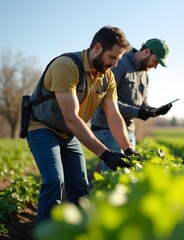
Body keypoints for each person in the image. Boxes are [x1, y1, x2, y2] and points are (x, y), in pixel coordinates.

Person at [26, 26, 142, 222]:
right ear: (97, 48)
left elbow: (114, 116)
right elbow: (71, 117)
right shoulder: (66, 66)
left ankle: (76, 231)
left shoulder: (107, 77)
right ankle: (45, 233)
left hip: (68, 133)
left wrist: (127, 149)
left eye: (118, 60)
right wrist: (105, 154)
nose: (115, 64)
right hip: (42, 127)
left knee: (80, 187)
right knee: (55, 181)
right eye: (112, 57)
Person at [90, 38, 172, 170]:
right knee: (116, 176)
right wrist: (138, 112)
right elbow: (106, 101)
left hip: (128, 131)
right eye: (155, 61)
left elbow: (142, 103)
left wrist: (153, 110)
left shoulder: (145, 75)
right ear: (146, 52)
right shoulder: (120, 64)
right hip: (108, 130)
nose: (155, 66)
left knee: (129, 173)